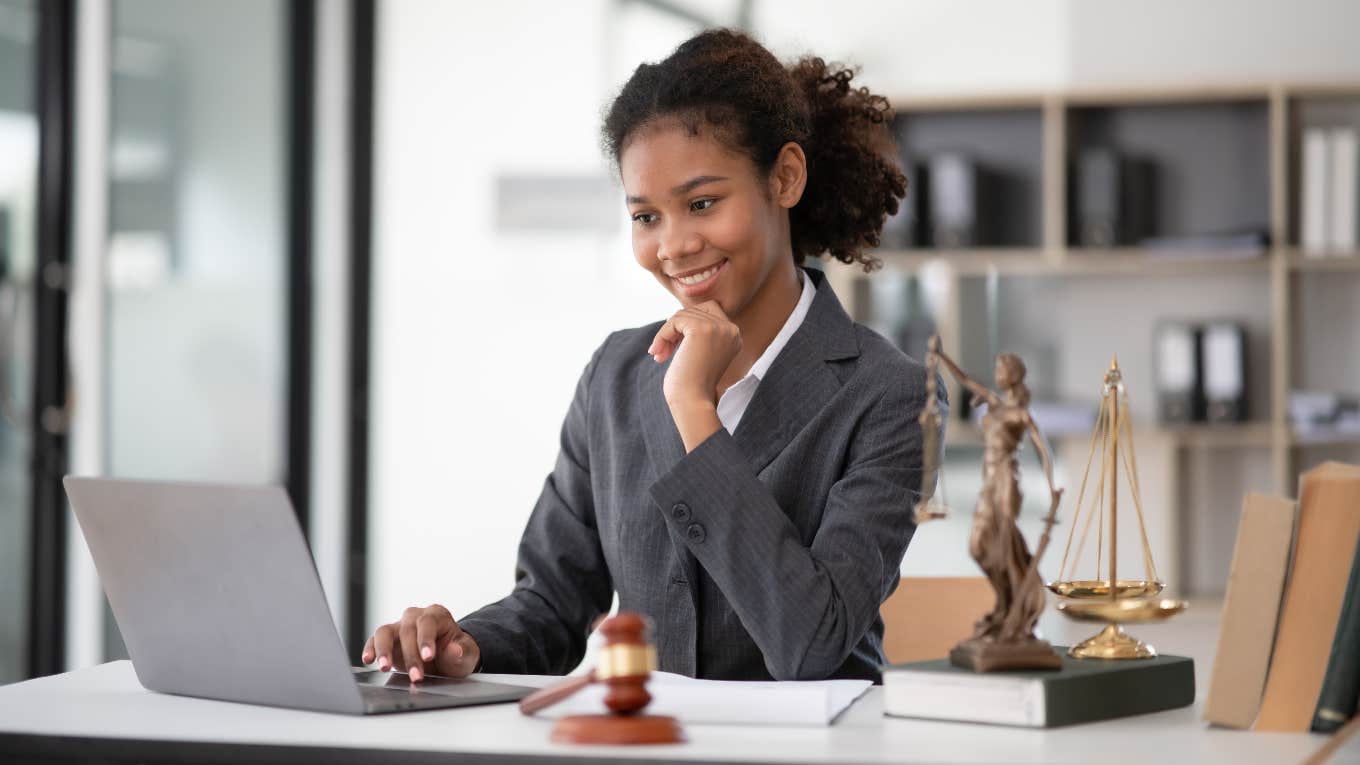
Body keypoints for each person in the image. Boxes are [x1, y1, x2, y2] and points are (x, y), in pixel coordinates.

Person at [362, 28, 945, 683]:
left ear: (784, 177)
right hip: (645, 744)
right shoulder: (615, 374)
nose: (674, 245)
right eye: (646, 217)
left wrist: (694, 409)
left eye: (701, 203)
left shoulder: (892, 395)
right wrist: (463, 644)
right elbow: (551, 603)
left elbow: (812, 643)